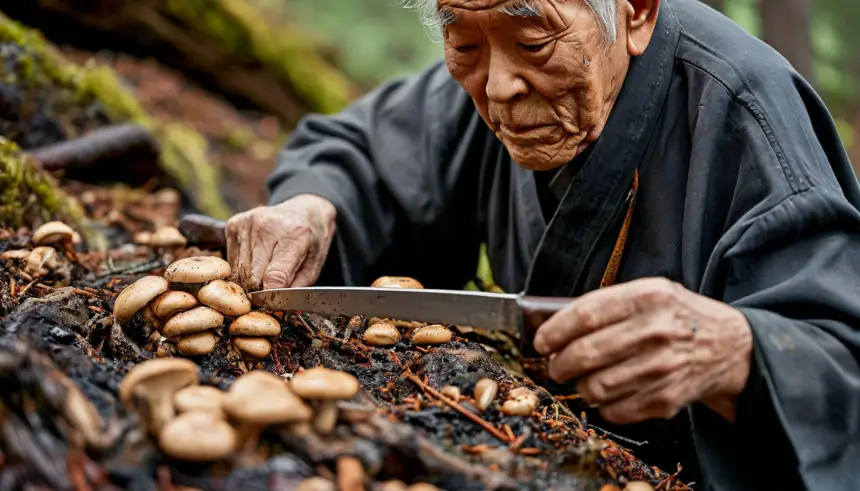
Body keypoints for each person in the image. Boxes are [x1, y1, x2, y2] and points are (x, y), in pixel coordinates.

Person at [225, 0, 860, 489]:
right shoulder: (494, 48)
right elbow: (361, 151)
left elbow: (840, 359)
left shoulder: (742, 112)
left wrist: (736, 353)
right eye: (462, 43)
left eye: (534, 41)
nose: (499, 87)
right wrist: (311, 207)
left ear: (635, 12)